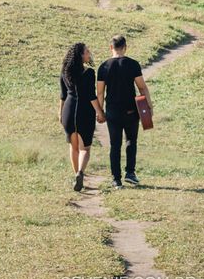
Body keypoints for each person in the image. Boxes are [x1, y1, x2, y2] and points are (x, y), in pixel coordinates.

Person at [97, 35, 152, 189]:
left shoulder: (104, 67)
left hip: (112, 112)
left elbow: (100, 93)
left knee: (115, 145)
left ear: (111, 47)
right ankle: (130, 173)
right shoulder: (133, 64)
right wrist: (149, 106)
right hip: (131, 111)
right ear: (125, 47)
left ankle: (116, 179)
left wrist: (100, 111)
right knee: (131, 141)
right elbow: (141, 87)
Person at [59, 42, 106, 192]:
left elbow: (63, 95)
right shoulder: (89, 73)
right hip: (84, 111)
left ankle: (76, 177)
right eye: (86, 52)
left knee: (73, 147)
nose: (89, 53)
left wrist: (60, 113)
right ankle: (80, 172)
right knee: (84, 148)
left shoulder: (64, 72)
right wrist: (100, 112)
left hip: (68, 110)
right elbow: (91, 96)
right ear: (80, 56)